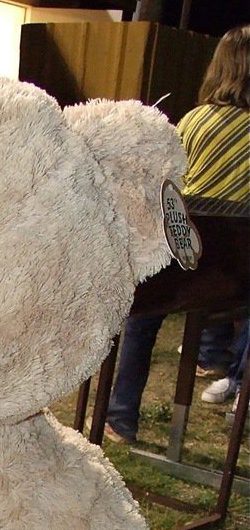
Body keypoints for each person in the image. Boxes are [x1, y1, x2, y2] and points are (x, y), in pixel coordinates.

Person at [104, 23, 250, 444]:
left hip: (182, 271)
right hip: (234, 284)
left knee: (145, 313)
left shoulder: (191, 122)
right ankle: (235, 393)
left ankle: (121, 414)